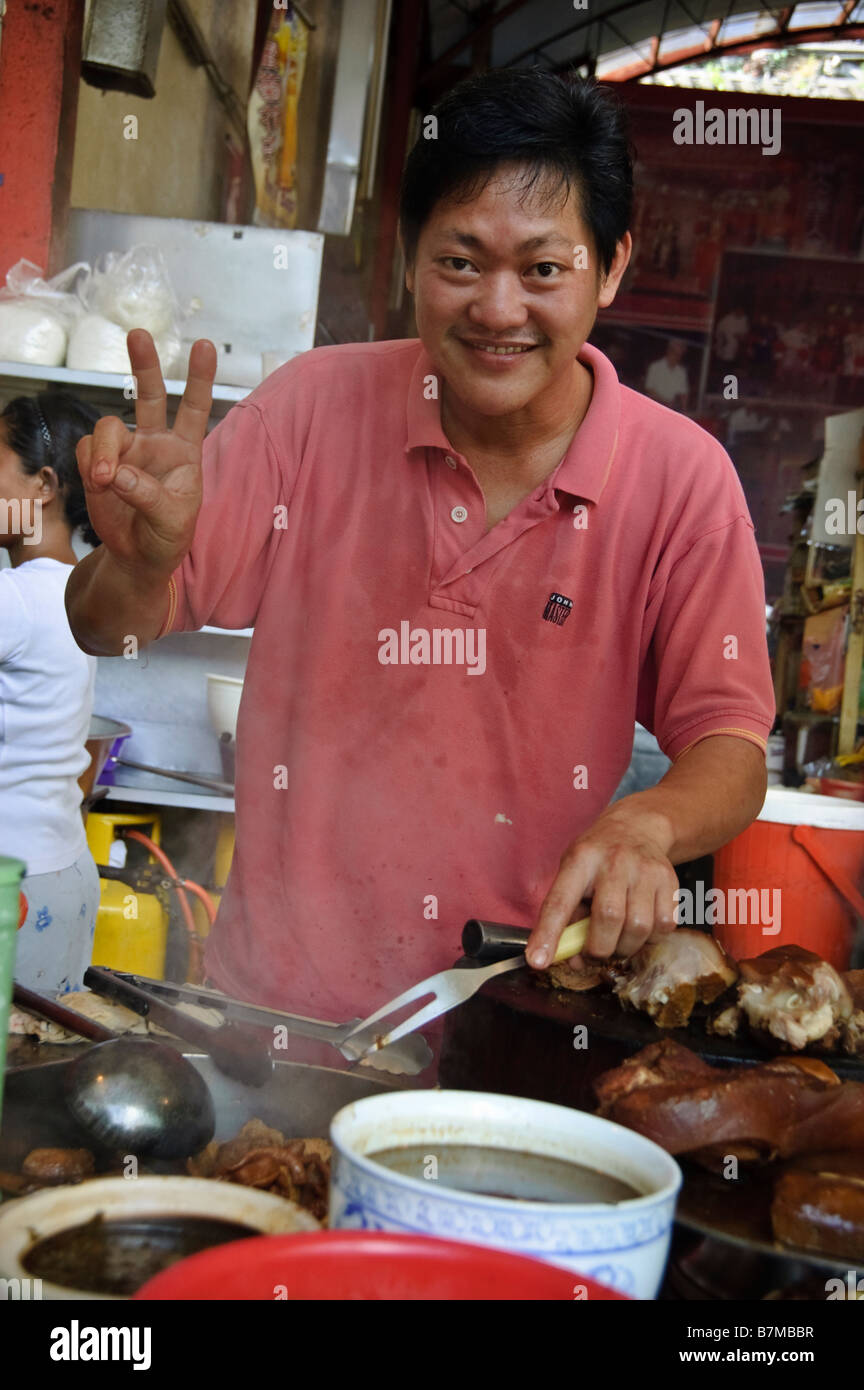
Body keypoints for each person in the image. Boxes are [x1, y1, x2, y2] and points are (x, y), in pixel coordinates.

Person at [67, 70, 773, 1026]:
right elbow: (105, 630)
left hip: (513, 1029)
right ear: (410, 264)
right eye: (462, 261)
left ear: (609, 270)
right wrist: (138, 564)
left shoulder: (683, 482)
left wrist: (648, 822)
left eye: (543, 270)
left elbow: (730, 745)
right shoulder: (309, 410)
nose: (497, 307)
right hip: (273, 1023)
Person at [0, 392, 101, 994]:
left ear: (43, 485)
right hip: (66, 870)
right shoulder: (83, 593)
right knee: (39, 1068)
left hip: (15, 882)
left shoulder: (16, 601)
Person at [644, 339, 689, 411]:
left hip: (672, 409)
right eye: (675, 354)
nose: (677, 357)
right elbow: (649, 389)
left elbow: (683, 395)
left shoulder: (681, 372)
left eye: (680, 355)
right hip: (655, 407)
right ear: (669, 351)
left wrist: (684, 410)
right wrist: (664, 402)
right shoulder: (655, 367)